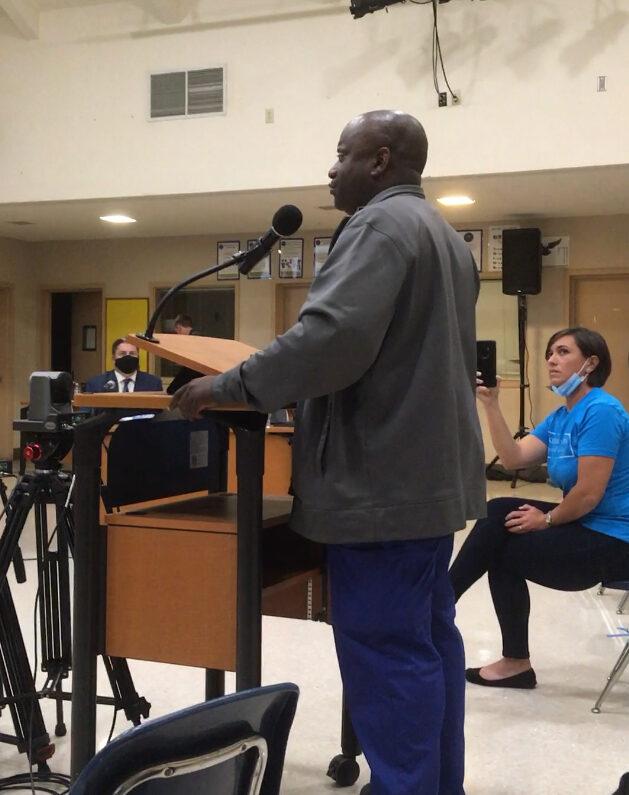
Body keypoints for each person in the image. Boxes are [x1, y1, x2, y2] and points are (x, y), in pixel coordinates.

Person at [171, 109, 486, 795]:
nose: (329, 169)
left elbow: (330, 341)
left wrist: (231, 384)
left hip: (381, 488)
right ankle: (433, 784)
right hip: (426, 486)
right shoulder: (444, 235)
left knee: (388, 653)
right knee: (427, 644)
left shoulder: (378, 225)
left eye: (340, 154)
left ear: (377, 160)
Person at [450, 327, 629, 689]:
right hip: (587, 526)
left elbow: (589, 494)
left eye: (563, 352)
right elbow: (514, 457)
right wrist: (491, 403)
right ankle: (442, 605)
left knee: (502, 549)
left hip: (615, 539)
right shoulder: (563, 416)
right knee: (500, 509)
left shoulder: (602, 411)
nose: (551, 360)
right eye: (550, 352)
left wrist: (546, 520)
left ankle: (440, 609)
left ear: (590, 363)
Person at [84, 338, 162, 393]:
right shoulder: (97, 384)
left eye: (132, 353)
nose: (128, 357)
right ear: (113, 358)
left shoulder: (153, 384)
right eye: (122, 354)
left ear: (138, 357)